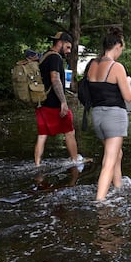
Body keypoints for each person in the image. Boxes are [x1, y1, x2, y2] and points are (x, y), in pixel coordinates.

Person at [86, 26, 131, 200]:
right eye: (122, 48)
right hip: (114, 116)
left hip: (97, 116)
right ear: (118, 45)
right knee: (109, 161)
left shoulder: (92, 65)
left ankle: (118, 187)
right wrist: (127, 81)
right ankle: (100, 201)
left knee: (116, 154)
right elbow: (128, 96)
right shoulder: (117, 66)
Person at [34, 31, 83, 166]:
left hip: (41, 103)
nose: (68, 51)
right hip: (53, 104)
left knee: (42, 135)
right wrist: (63, 102)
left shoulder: (45, 56)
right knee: (69, 132)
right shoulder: (55, 58)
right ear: (60, 43)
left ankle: (37, 164)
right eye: (67, 47)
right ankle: (75, 160)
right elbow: (55, 80)